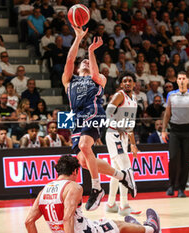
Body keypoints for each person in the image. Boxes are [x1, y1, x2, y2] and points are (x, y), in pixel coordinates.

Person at [62, 26, 136, 211]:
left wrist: (90, 52)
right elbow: (70, 59)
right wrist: (79, 38)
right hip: (77, 119)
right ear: (78, 68)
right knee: (82, 160)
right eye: (83, 62)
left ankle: (96, 188)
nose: (85, 62)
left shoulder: (98, 78)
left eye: (88, 61)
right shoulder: (69, 81)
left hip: (94, 113)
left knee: (84, 146)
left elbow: (95, 73)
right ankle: (122, 176)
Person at [25, 155, 161, 233]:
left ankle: (138, 227)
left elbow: (29, 222)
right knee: (117, 225)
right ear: (74, 172)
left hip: (79, 227)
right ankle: (152, 228)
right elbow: (67, 218)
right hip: (81, 231)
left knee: (106, 222)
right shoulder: (73, 187)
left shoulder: (44, 191)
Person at [105, 71, 141, 216]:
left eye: (129, 81)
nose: (127, 83)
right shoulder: (120, 95)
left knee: (117, 172)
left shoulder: (134, 100)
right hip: (114, 134)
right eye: (124, 81)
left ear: (134, 83)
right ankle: (124, 206)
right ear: (121, 84)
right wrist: (118, 125)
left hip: (124, 137)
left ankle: (111, 203)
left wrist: (133, 144)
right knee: (127, 170)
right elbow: (108, 112)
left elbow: (130, 125)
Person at [162, 72, 189, 198]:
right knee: (173, 158)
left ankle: (181, 189)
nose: (181, 80)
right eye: (179, 78)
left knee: (185, 161)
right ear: (177, 81)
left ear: (188, 80)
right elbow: (167, 114)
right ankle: (171, 186)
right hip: (174, 130)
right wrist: (164, 129)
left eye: (183, 78)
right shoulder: (171, 95)